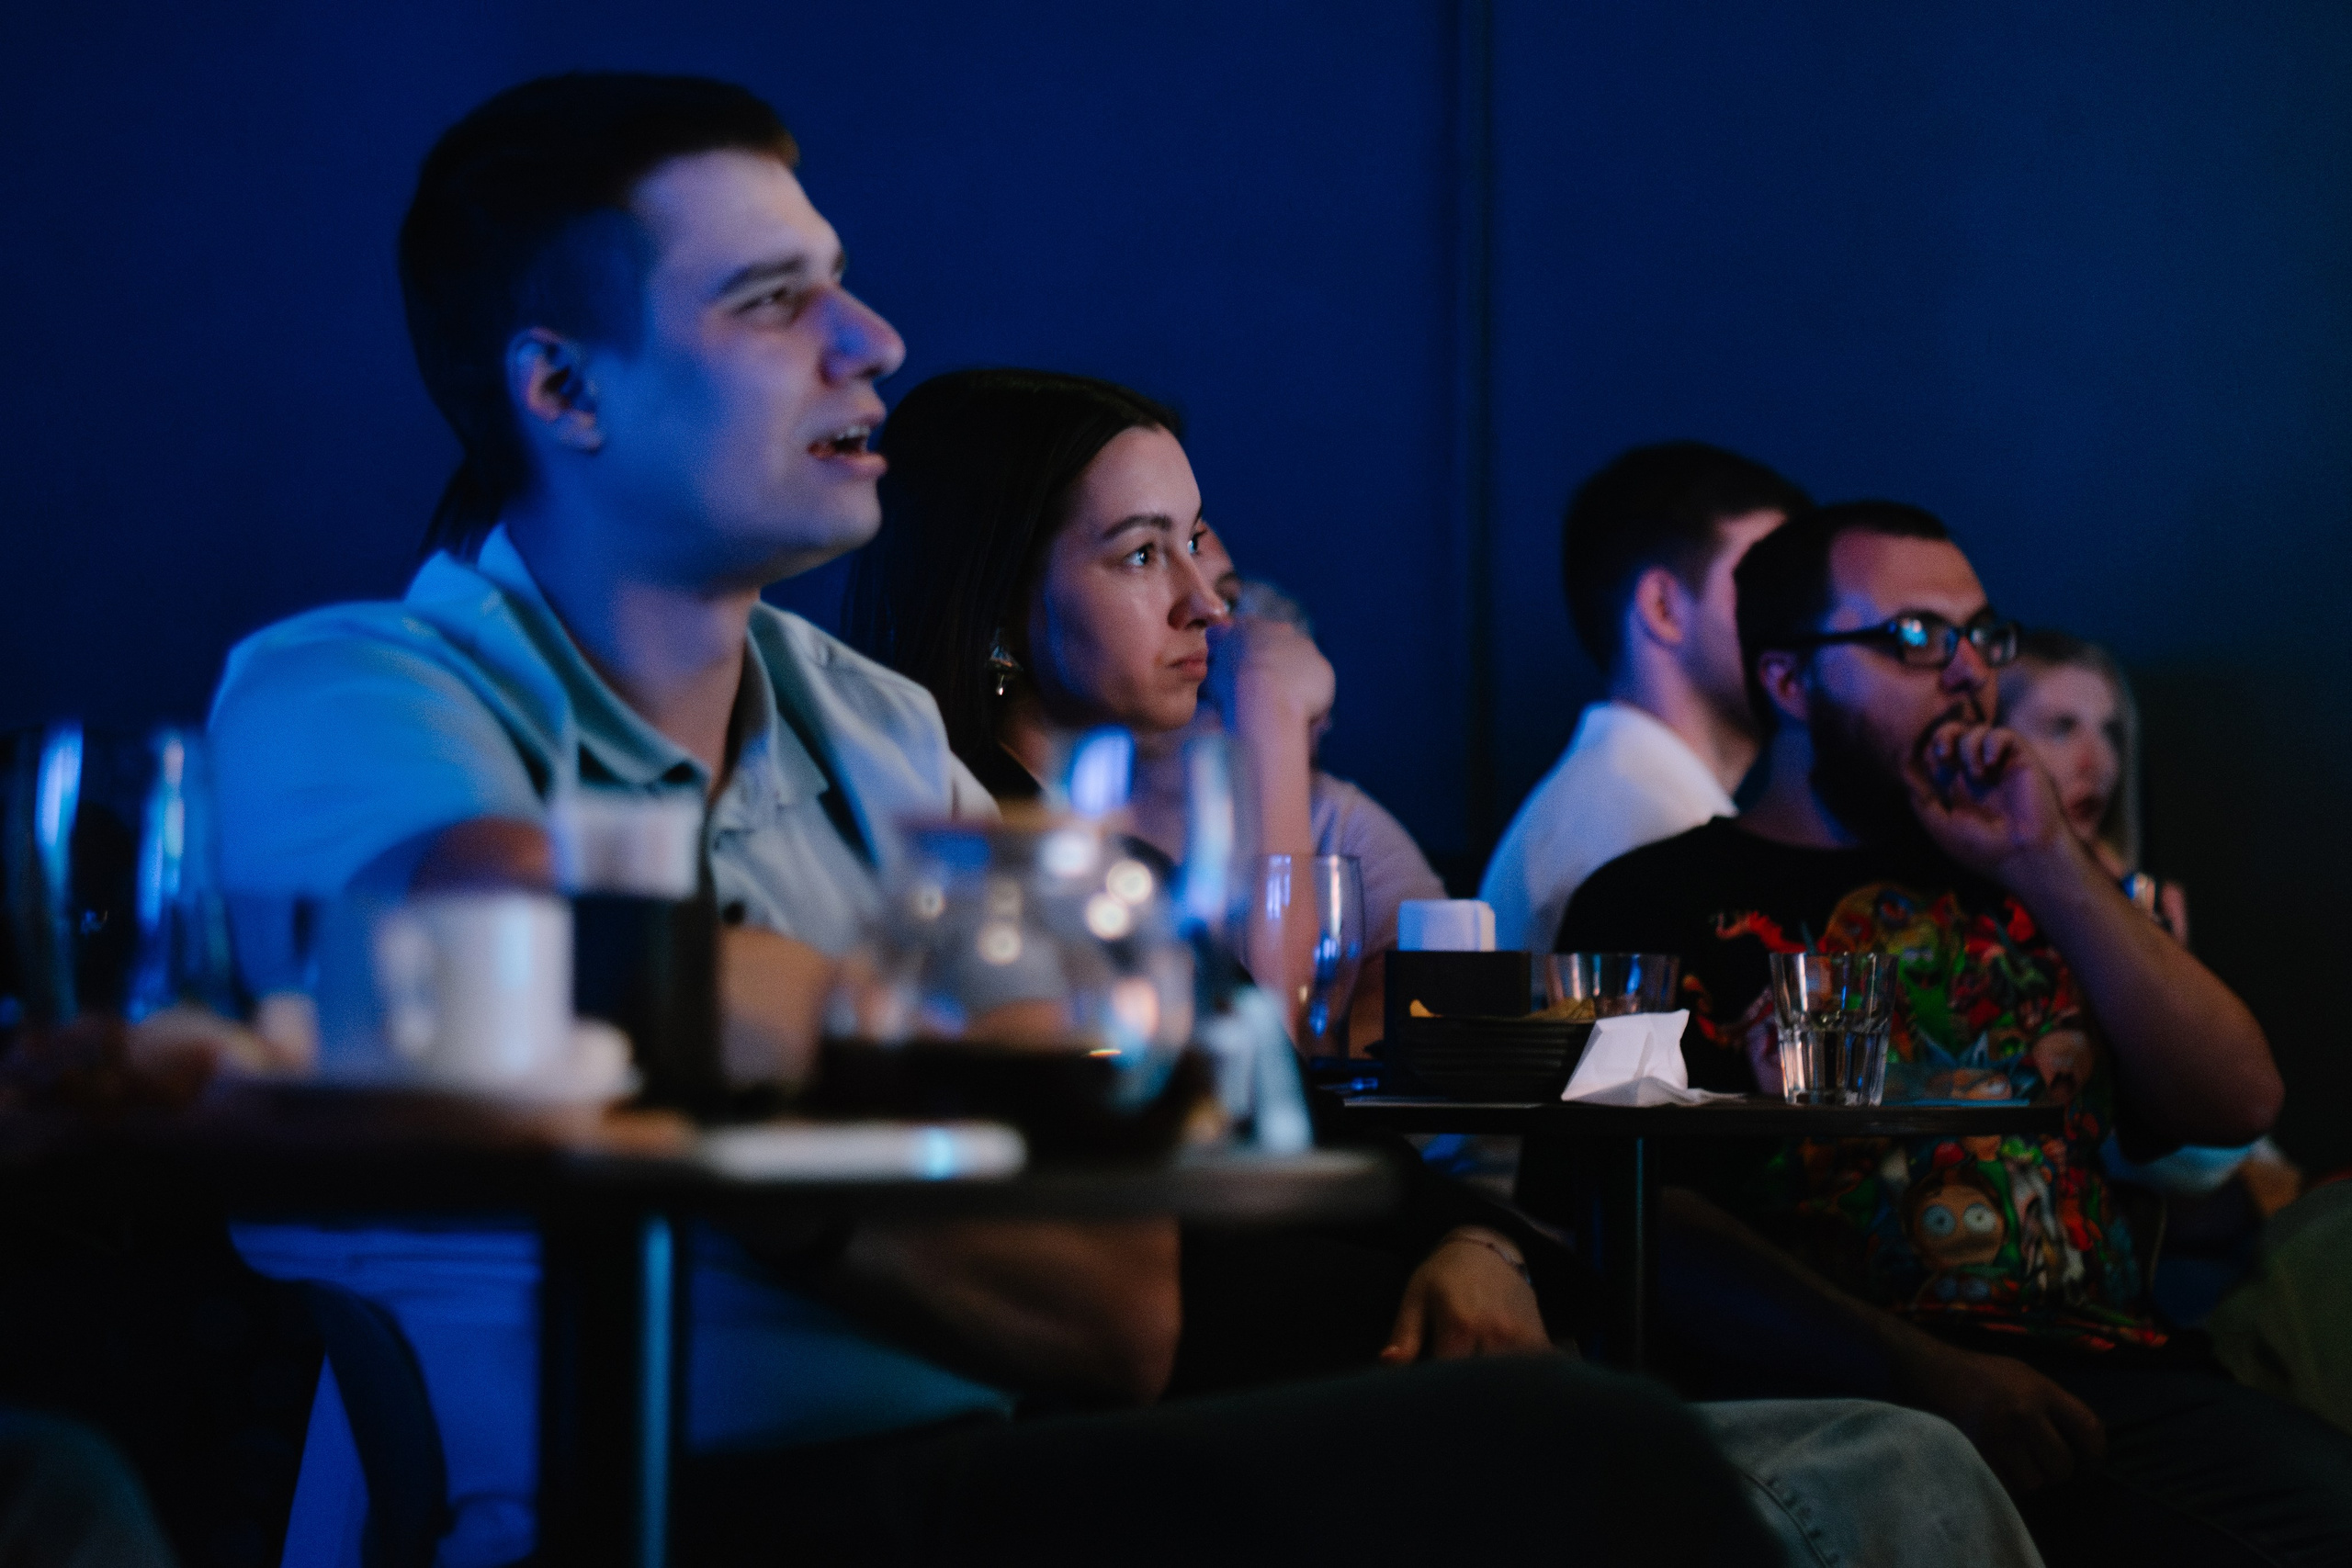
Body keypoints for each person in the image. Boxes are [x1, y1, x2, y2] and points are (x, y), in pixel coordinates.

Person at [209, 73, 1780, 1567]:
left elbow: (1112, 1300)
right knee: (1593, 1459)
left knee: (1584, 1440)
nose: (872, 339)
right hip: (615, 1511)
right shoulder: (344, 687)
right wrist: (905, 1097)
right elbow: (498, 938)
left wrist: (740, 1082)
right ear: (562, 387)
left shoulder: (881, 725)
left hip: (974, 1466)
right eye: (770, 300)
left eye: (842, 282)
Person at [845, 368, 2045, 1568]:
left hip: (1377, 1351)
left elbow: (1292, 1108)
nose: (1210, 600)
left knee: (1903, 1453)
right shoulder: (974, 881)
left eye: (1198, 542)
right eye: (1142, 552)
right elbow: (1221, 1154)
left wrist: (1483, 1244)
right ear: (1000, 603)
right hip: (1263, 1400)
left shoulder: (1110, 862)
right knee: (1898, 1463)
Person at [1555, 500, 2352, 1567]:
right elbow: (1624, 1211)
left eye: (1981, 634)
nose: (1968, 670)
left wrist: (2048, 862)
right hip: (1843, 1403)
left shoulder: (2031, 881)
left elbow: (2237, 1102)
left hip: (2113, 1380)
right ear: (1790, 682)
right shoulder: (1651, 901)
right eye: (1914, 639)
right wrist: (1916, 1366)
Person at [1481, 443, 1810, 953]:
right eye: (1767, 587)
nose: (1805, 624)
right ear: (1663, 608)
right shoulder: (1638, 830)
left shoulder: (1626, 802)